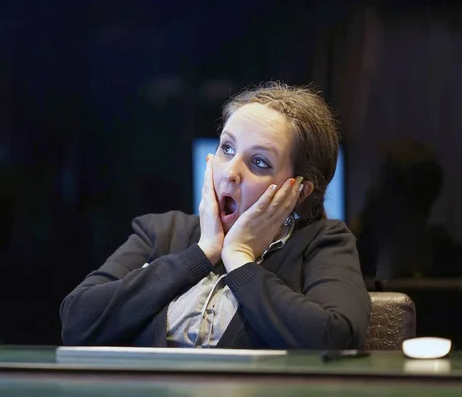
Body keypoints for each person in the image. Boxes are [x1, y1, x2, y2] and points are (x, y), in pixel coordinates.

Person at [60, 81, 371, 349]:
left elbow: (336, 337)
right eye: (227, 148)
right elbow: (77, 322)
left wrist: (239, 257)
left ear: (298, 191)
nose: (231, 172)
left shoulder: (324, 242)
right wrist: (202, 253)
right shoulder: (161, 230)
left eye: (259, 162)